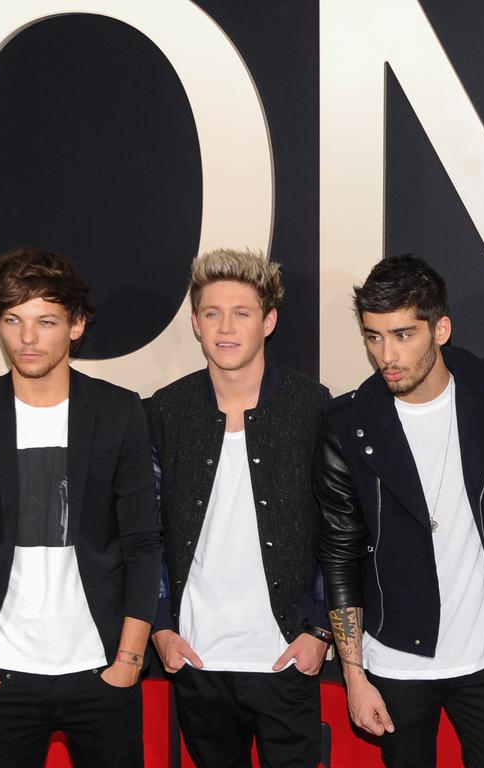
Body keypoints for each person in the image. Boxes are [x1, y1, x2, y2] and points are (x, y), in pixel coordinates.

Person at [314, 254, 484, 767]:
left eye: (402, 335)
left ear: (440, 328)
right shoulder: (347, 426)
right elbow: (339, 556)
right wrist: (354, 675)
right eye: (373, 337)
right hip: (395, 660)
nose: (386, 355)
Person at [0, 248, 160, 767]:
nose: (28, 338)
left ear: (76, 325)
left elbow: (143, 544)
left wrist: (128, 660)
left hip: (101, 669)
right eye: (12, 320)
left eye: (46, 321)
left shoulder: (117, 411)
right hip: (2, 673)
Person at [146, 248, 331, 767]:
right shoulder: (165, 410)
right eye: (212, 313)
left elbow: (339, 530)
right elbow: (149, 530)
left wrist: (318, 629)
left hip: (284, 653)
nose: (225, 328)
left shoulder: (312, 406)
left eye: (242, 313)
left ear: (268, 321)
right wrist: (161, 624)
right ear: (195, 323)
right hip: (197, 656)